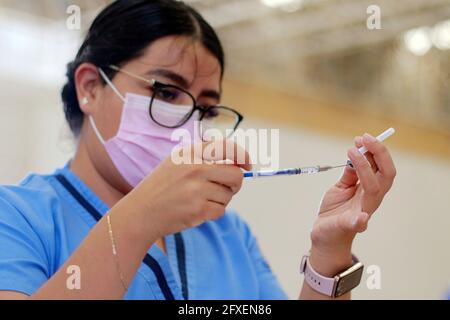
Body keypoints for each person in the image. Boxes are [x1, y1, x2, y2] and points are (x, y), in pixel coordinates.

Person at [0, 0, 396, 300]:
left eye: (205, 108)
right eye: (166, 91)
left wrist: (329, 251)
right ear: (90, 87)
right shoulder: (17, 218)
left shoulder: (225, 234)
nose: (188, 122)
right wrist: (140, 218)